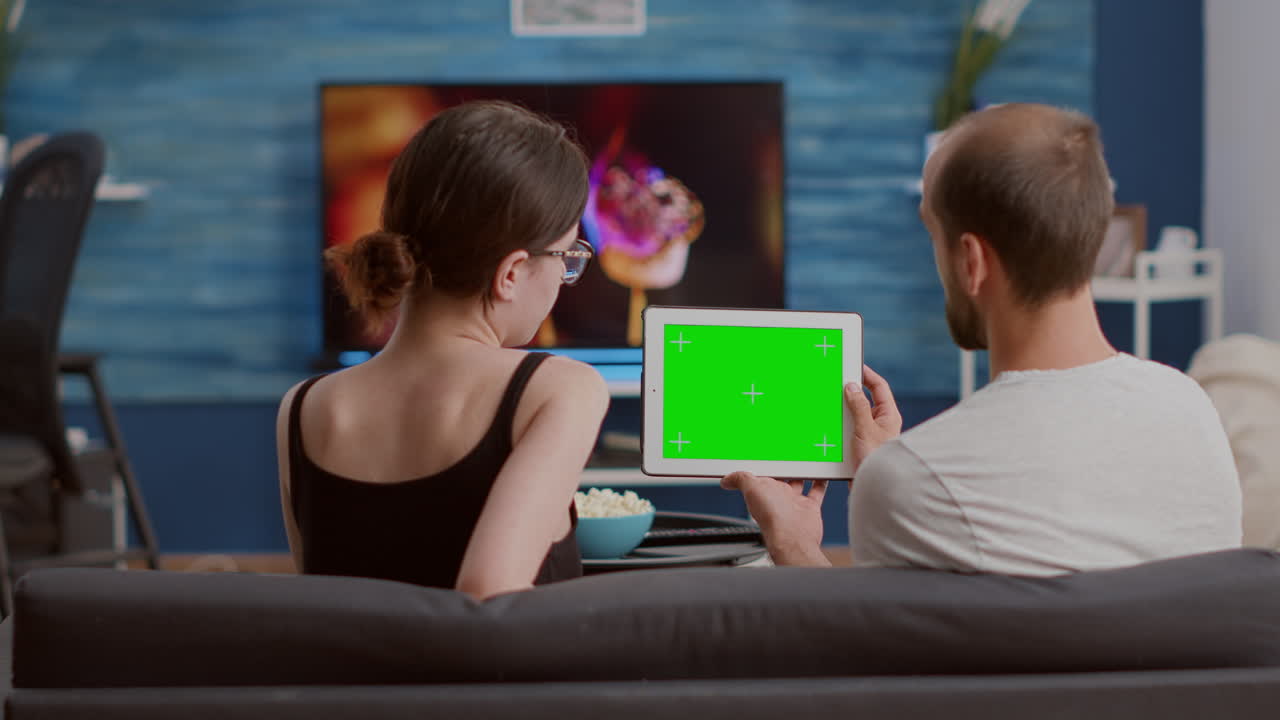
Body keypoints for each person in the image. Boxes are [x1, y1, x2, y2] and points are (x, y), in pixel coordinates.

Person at [724, 103, 1242, 575]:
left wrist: (793, 547)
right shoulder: (1192, 411)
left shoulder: (909, 482)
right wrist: (892, 472)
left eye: (933, 234)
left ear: (971, 262)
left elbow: (861, 661)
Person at [275, 101, 610, 600]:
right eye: (566, 257)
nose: (564, 277)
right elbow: (488, 598)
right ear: (512, 272)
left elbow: (327, 615)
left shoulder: (304, 407)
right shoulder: (559, 389)